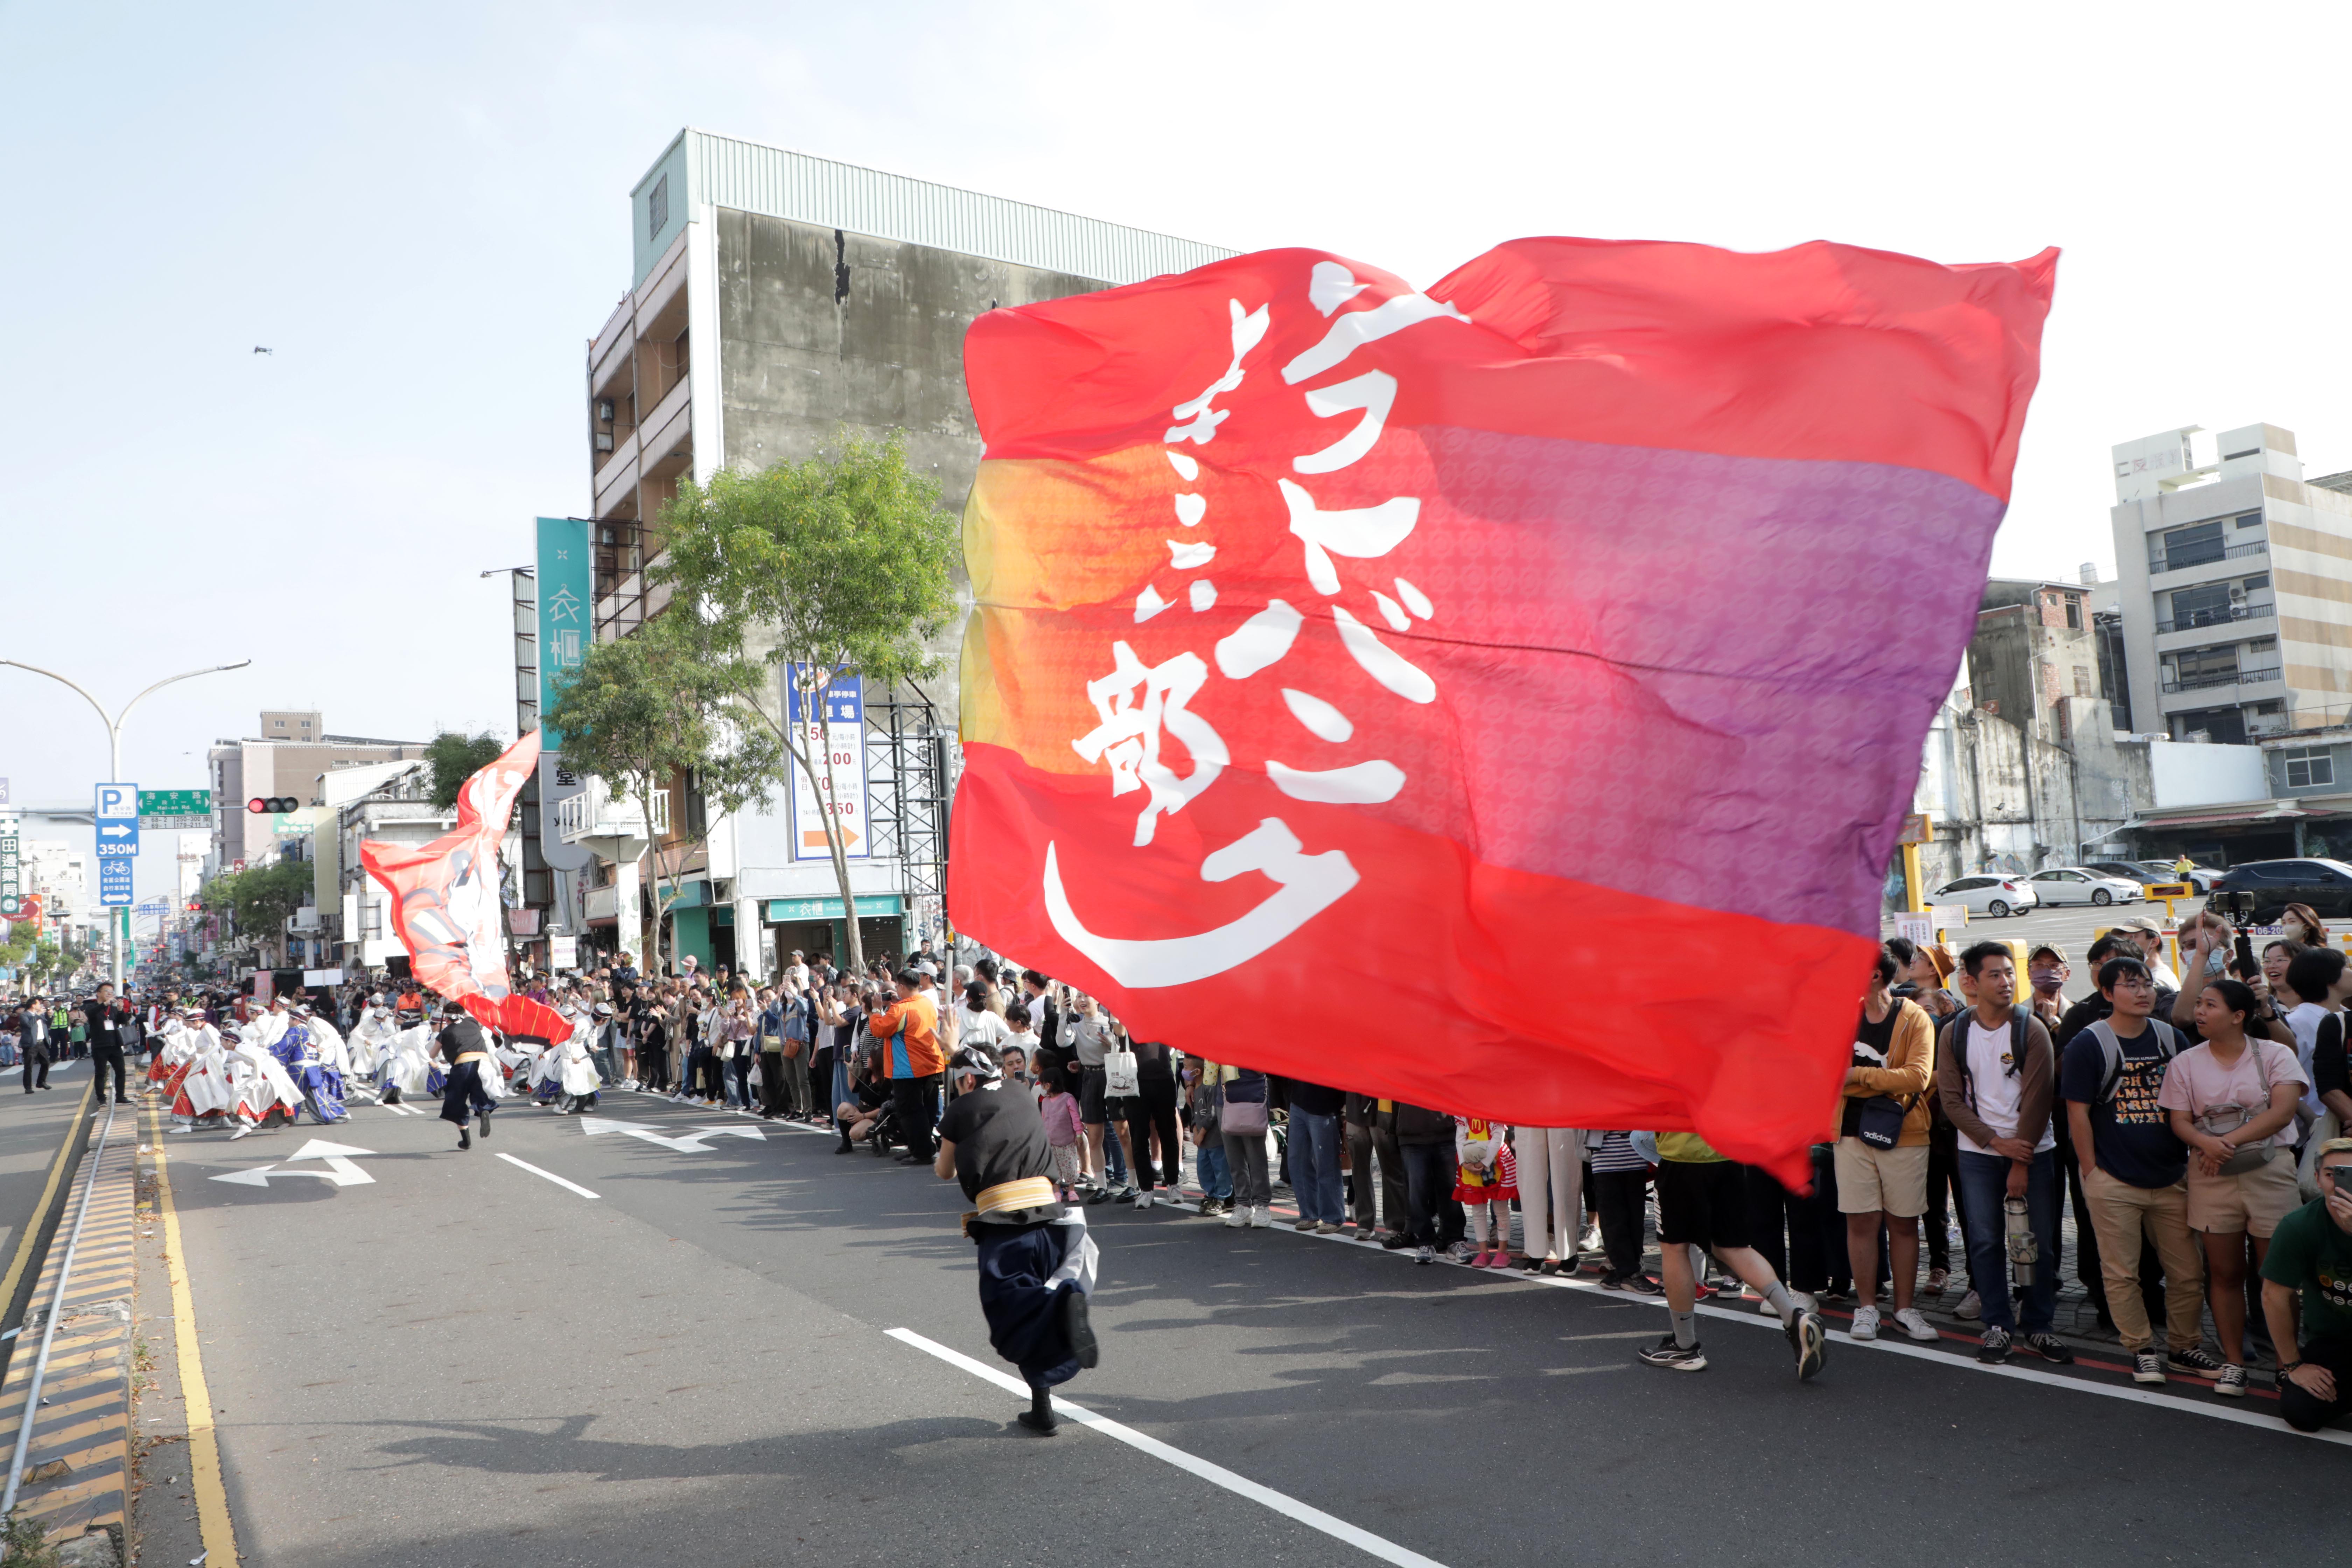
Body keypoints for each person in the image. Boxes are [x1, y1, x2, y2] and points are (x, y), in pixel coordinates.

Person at [2060, 954, 2218, 1384]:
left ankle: (2186, 1348)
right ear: (2108, 993)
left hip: (2171, 1176)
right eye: (2131, 984)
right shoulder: (2088, 1044)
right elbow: (2077, 1116)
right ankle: (2142, 1348)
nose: (2144, 991)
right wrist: (2092, 1173)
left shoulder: (2171, 1038)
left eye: (2146, 983)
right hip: (2113, 1179)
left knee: (2188, 1272)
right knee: (2122, 1272)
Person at [932, 1044, 1098, 1434]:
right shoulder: (1022, 1090)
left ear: (967, 1079)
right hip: (1052, 1214)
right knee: (1030, 1308)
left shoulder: (961, 1108)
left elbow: (944, 1171)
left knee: (1009, 1310)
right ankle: (1043, 1408)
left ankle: (1062, 1301)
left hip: (1005, 1220)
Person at [2160, 976, 2305, 1396]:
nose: (2200, 1012)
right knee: (2223, 1273)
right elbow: (2179, 1120)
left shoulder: (2275, 1053)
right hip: (2210, 1173)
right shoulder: (2186, 1061)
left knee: (2276, 1275)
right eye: (2200, 1004)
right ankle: (2234, 1363)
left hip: (2268, 1169)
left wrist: (2223, 1143)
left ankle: (2286, 1362)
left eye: (2211, 1005)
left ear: (2239, 1016)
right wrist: (2206, 1143)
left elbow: (2282, 1113)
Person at [1937, 941, 2072, 1366]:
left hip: (2035, 1152)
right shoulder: (1954, 1031)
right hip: (1978, 1153)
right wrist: (1996, 1143)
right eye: (1994, 974)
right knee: (1985, 1241)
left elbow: (2039, 1100)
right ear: (1971, 983)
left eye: (2009, 973)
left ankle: (2039, 1325)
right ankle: (1997, 1325)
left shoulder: (2031, 1029)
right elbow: (1952, 1102)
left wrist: (2019, 1158)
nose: (2006, 981)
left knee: (2039, 1244)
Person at [1634, 1126, 1829, 1378]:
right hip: (1728, 1154)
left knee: (1675, 1248)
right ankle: (1794, 1316)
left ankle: (1684, 1347)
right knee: (1734, 1248)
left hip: (1683, 1155)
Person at [1834, 945, 1940, 1342]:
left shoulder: (1914, 1017)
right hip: (1850, 1130)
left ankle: (1904, 1308)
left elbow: (1917, 1076)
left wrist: (1857, 1075)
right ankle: (1866, 1308)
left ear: (1876, 975)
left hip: (1905, 1132)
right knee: (1861, 1219)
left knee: (1903, 1221)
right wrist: (1864, 1078)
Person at [2261, 1137, 2352, 1430]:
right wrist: (2294, 1366)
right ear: (2317, 1179)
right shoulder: (2299, 1226)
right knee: (2300, 1410)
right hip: (2335, 1340)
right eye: (2333, 1174)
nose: (2343, 1184)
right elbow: (2273, 1295)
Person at [870, 969, 944, 1164]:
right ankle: (919, 1148)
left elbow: (880, 1029)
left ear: (901, 987)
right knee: (927, 1109)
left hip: (908, 1068)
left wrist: (877, 1010)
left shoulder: (900, 1010)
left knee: (910, 1111)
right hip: (931, 1063)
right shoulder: (927, 1003)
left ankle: (921, 1152)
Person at [1586, 1130, 1660, 1292]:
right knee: (1612, 1219)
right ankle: (1630, 1272)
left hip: (1635, 1157)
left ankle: (1623, 1271)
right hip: (1605, 1159)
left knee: (1635, 1218)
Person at [432, 1001, 498, 1152]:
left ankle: (466, 1140)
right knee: (480, 1095)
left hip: (463, 1066)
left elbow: (432, 1054)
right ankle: (484, 1110)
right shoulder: (473, 1022)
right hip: (484, 1064)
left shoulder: (446, 1033)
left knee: (456, 1103)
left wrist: (441, 1038)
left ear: (447, 1019)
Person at [1455, 1117, 1518, 1267]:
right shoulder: (1464, 1112)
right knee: (1478, 1210)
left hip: (1498, 1163)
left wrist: (1484, 1162)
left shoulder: (1494, 1108)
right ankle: (1484, 1252)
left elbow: (1498, 1137)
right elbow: (1460, 1138)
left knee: (1501, 1209)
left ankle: (1503, 1252)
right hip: (1471, 1165)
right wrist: (1465, 1162)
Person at [81, 983, 133, 1107]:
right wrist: (104, 1004)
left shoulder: (113, 1008)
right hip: (100, 1046)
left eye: (111, 991)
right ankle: (101, 1099)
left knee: (121, 1071)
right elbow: (90, 1014)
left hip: (115, 1044)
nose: (110, 994)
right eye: (107, 991)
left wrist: (120, 1010)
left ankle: (120, 1097)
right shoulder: (91, 1007)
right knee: (101, 1073)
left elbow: (123, 1021)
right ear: (98, 993)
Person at [1040, 1059, 1085, 1201]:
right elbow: (1044, 1120)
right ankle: (1057, 1191)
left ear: (1052, 1084)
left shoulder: (1068, 1099)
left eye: (1044, 1084)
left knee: (1070, 1166)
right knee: (1054, 1169)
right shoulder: (1045, 1102)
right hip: (1050, 1142)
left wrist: (1079, 1135)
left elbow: (1076, 1119)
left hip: (1066, 1141)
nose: (1043, 1087)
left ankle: (1072, 1190)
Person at [2114, 915, 2183, 992]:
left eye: (2133, 937)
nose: (2126, 943)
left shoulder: (2156, 981)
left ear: (2154, 942)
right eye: (2123, 938)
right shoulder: (2146, 976)